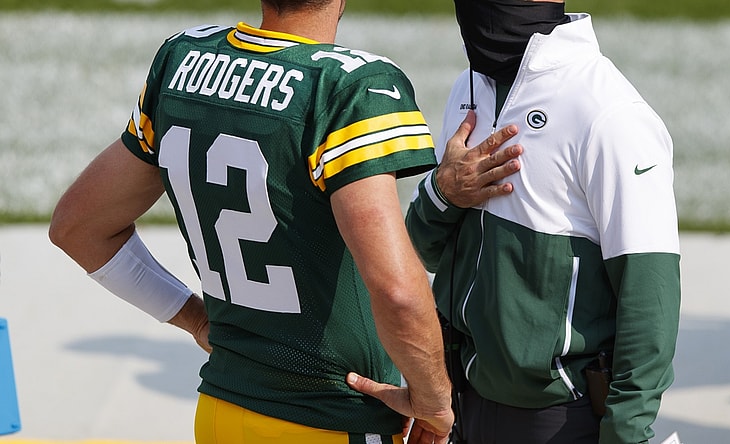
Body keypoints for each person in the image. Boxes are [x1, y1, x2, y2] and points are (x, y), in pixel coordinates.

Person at [48, 0, 461, 442]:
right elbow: (397, 292)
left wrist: (195, 320)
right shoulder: (354, 86)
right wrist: (435, 401)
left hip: (220, 411)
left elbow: (78, 227)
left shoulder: (182, 59)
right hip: (332, 418)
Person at [352, 1, 682, 443]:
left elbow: (650, 301)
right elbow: (425, 251)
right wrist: (444, 193)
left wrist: (625, 433)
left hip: (559, 420)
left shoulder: (611, 113)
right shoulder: (470, 91)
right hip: (461, 406)